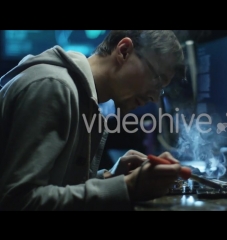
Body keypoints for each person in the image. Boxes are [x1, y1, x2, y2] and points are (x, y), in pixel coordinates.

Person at [0, 30, 186, 211]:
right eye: (157, 81)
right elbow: (18, 201)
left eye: (161, 89)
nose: (154, 98)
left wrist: (111, 176)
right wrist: (127, 186)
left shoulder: (84, 100)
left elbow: (57, 185)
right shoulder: (53, 87)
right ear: (123, 51)